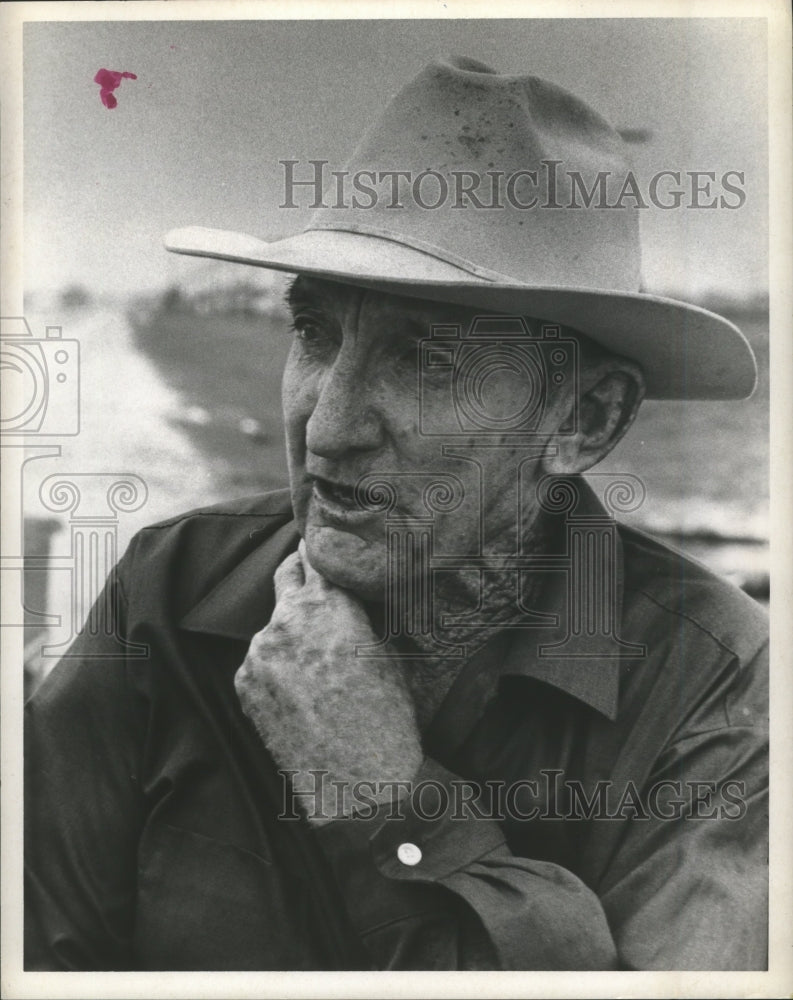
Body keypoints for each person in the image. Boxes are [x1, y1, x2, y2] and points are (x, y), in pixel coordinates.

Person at [25, 56, 767, 971]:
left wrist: (390, 801)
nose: (328, 428)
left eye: (427, 362)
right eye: (315, 332)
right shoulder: (167, 593)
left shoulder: (715, 693)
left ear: (581, 420)